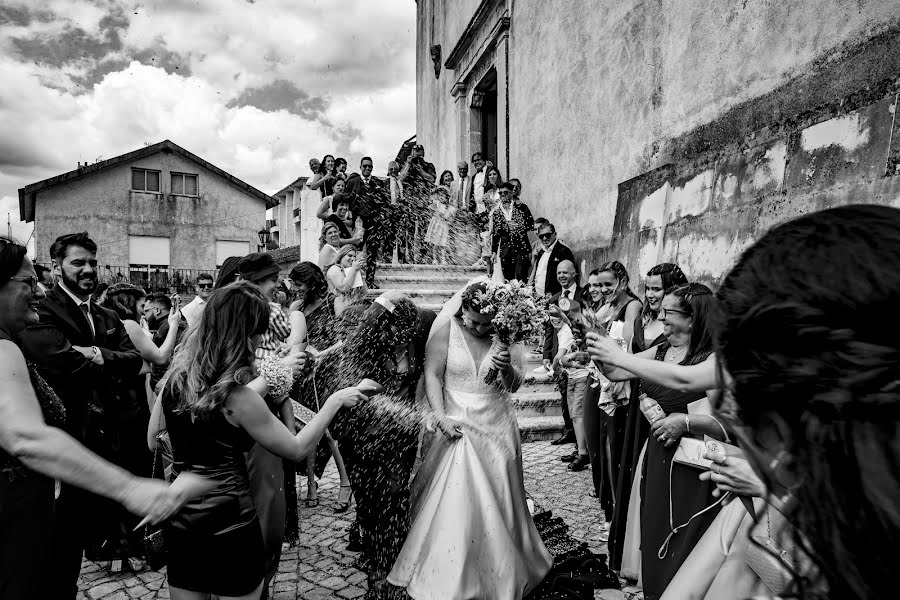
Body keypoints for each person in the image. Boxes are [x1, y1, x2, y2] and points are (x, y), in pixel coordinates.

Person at [0, 236, 184, 600]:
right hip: (18, 512)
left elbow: (138, 361)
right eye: (27, 283)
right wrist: (128, 488)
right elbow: (26, 435)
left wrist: (98, 355)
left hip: (76, 468)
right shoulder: (5, 348)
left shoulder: (107, 317)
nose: (37, 291)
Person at [156, 281, 365, 600]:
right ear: (243, 334)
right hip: (231, 525)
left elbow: (151, 440)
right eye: (257, 333)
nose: (259, 341)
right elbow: (296, 449)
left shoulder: (175, 381)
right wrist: (334, 401)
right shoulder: (238, 398)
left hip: (183, 525)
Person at [388, 279, 552, 599]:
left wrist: (506, 369)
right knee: (455, 498)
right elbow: (433, 375)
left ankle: (502, 569)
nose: (476, 328)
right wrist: (440, 416)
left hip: (496, 425)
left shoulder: (506, 336)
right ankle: (455, 571)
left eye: (484, 324)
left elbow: (514, 385)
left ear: (497, 319)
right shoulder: (446, 329)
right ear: (463, 308)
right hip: (457, 422)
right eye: (471, 320)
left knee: (499, 499)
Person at [593, 284, 725, 600]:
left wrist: (686, 422)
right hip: (657, 452)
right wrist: (591, 339)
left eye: (670, 312)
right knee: (654, 529)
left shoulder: (711, 358)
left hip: (694, 464)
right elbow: (615, 370)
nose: (661, 316)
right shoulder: (662, 348)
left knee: (683, 532)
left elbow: (724, 426)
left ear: (692, 318)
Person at [317, 291, 436, 595]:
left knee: (395, 500)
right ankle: (375, 564)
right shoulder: (361, 348)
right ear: (382, 327)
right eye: (399, 331)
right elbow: (342, 396)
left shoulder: (420, 329)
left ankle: (390, 570)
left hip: (400, 437)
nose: (404, 337)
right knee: (370, 504)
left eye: (409, 331)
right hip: (361, 439)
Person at [607, 263, 688, 572]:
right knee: (630, 475)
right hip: (639, 407)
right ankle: (626, 546)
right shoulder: (645, 319)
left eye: (658, 288)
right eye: (649, 288)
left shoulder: (682, 339)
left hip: (667, 411)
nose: (651, 295)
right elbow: (624, 358)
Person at [238, 252, 296, 598]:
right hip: (255, 420)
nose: (278, 287)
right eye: (273, 280)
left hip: (260, 410)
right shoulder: (264, 312)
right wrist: (281, 370)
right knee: (265, 510)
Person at [287, 262, 353, 512]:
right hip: (306, 374)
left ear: (312, 282)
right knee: (312, 428)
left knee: (331, 431)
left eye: (299, 284)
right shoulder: (297, 308)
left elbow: (344, 340)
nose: (295, 289)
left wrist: (321, 354)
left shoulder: (332, 302)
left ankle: (345, 484)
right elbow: (296, 344)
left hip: (330, 371)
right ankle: (312, 484)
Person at [586, 262, 643, 530]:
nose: (604, 289)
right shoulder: (606, 306)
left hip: (618, 384)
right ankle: (607, 510)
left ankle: (617, 517)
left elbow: (630, 348)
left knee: (613, 451)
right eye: (600, 284)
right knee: (599, 449)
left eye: (609, 284)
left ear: (622, 280)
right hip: (599, 378)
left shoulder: (631, 306)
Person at [346, 157, 391, 285]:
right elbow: (347, 199)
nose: (367, 168)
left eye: (369, 166)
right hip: (357, 222)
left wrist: (381, 217)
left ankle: (370, 279)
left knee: (372, 251)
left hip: (373, 223)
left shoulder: (377, 182)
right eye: (365, 166)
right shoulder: (352, 182)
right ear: (360, 167)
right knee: (356, 250)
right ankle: (355, 280)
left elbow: (384, 201)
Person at [489, 181, 535, 281]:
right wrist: (493, 252)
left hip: (521, 248)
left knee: (520, 278)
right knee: (508, 280)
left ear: (511, 193)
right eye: (500, 193)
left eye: (505, 193)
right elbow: (496, 233)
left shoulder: (522, 207)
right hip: (505, 250)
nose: (503, 195)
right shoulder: (497, 212)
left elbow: (531, 224)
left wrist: (519, 226)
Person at [529, 222, 576, 297]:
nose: (545, 238)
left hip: (555, 298)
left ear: (555, 234)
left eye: (547, 235)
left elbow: (569, 277)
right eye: (541, 236)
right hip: (539, 299)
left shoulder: (563, 251)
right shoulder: (541, 252)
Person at [325, 245, 368, 317]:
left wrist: (360, 276)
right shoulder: (334, 269)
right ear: (341, 256)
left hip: (353, 310)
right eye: (350, 256)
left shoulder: (351, 271)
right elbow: (343, 288)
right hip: (339, 311)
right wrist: (354, 269)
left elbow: (365, 292)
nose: (353, 259)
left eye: (355, 257)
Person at [299, 158, 324, 263]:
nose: (313, 166)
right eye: (311, 164)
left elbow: (314, 187)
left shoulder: (321, 175)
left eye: (315, 163)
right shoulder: (310, 178)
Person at [424, 181, 455, 264]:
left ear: (447, 197)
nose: (441, 197)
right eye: (439, 195)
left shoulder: (451, 208)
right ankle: (435, 259)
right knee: (435, 243)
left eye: (443, 195)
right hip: (436, 227)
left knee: (443, 244)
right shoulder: (437, 204)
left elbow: (451, 220)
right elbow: (430, 205)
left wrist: (447, 219)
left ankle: (443, 258)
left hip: (444, 227)